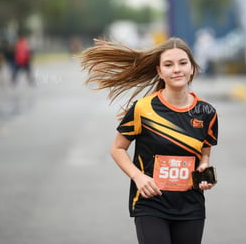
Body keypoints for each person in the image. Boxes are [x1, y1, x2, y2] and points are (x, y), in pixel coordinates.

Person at [80, 37, 218, 244]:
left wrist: (204, 168)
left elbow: (205, 150)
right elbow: (117, 149)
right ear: (160, 71)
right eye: (168, 65)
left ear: (192, 68)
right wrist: (138, 177)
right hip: (151, 203)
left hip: (191, 205)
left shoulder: (207, 112)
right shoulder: (143, 108)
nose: (176, 69)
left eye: (182, 63)